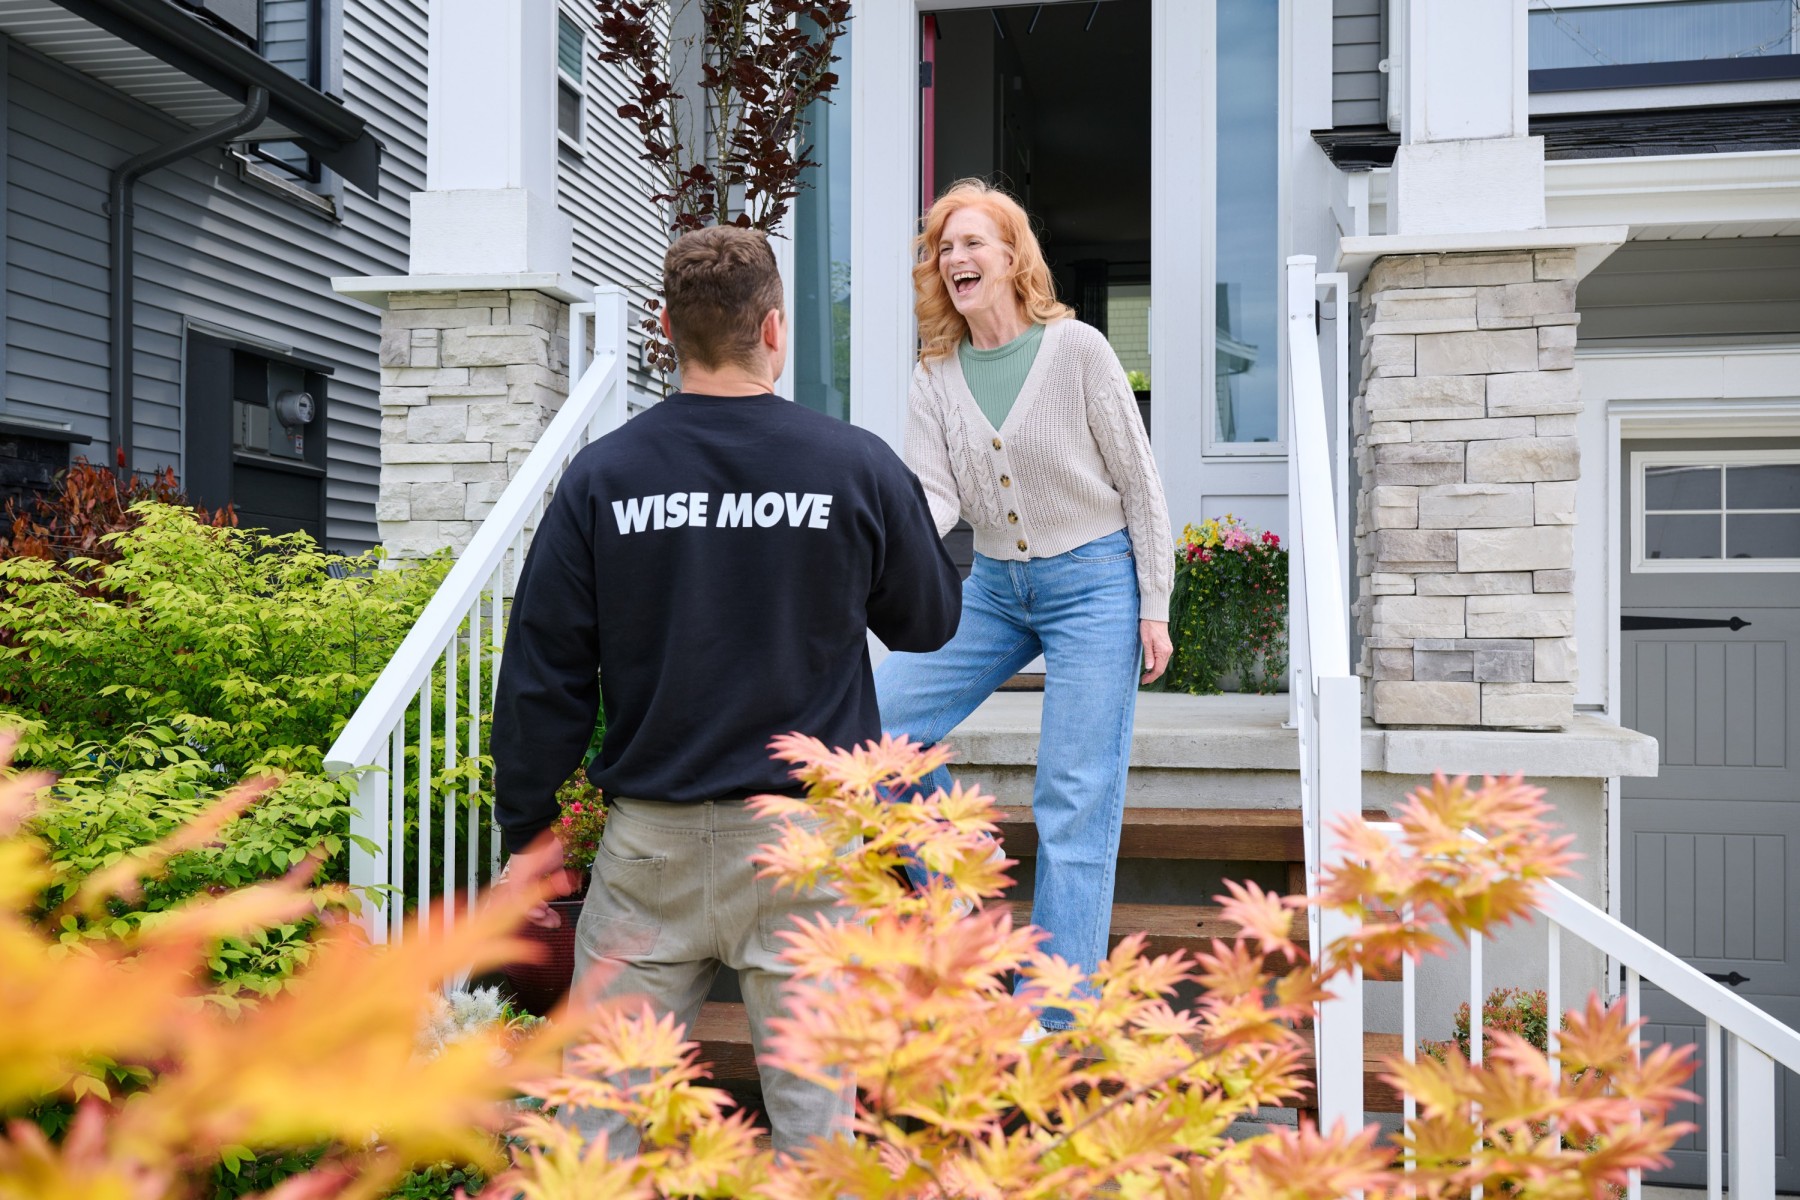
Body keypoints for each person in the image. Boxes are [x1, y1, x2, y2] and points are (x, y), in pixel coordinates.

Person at [491, 225, 962, 1156]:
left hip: (649, 852)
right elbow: (927, 623)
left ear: (667, 328)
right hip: (806, 851)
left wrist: (529, 832)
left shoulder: (605, 476)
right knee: (818, 1138)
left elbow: (544, 669)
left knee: (599, 1134)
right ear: (775, 328)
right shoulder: (854, 465)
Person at [875, 179, 1174, 1036]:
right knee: (873, 725)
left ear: (1012, 258)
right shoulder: (935, 376)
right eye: (943, 246)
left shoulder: (1076, 349)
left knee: (1073, 792)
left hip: (1095, 582)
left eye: (974, 241)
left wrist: (1152, 602)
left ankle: (1053, 1016)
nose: (956, 258)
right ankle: (968, 916)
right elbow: (929, 503)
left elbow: (1140, 484)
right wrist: (862, 573)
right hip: (997, 589)